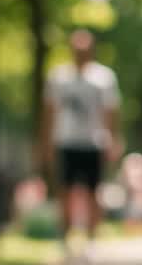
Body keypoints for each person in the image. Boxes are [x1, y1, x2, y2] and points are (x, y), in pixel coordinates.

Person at [39, 30, 122, 251]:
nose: (80, 53)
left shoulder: (104, 78)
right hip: (65, 142)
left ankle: (92, 239)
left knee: (94, 192)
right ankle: (64, 238)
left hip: (94, 143)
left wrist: (113, 139)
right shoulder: (58, 77)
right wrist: (45, 143)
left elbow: (111, 112)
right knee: (64, 191)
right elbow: (49, 112)